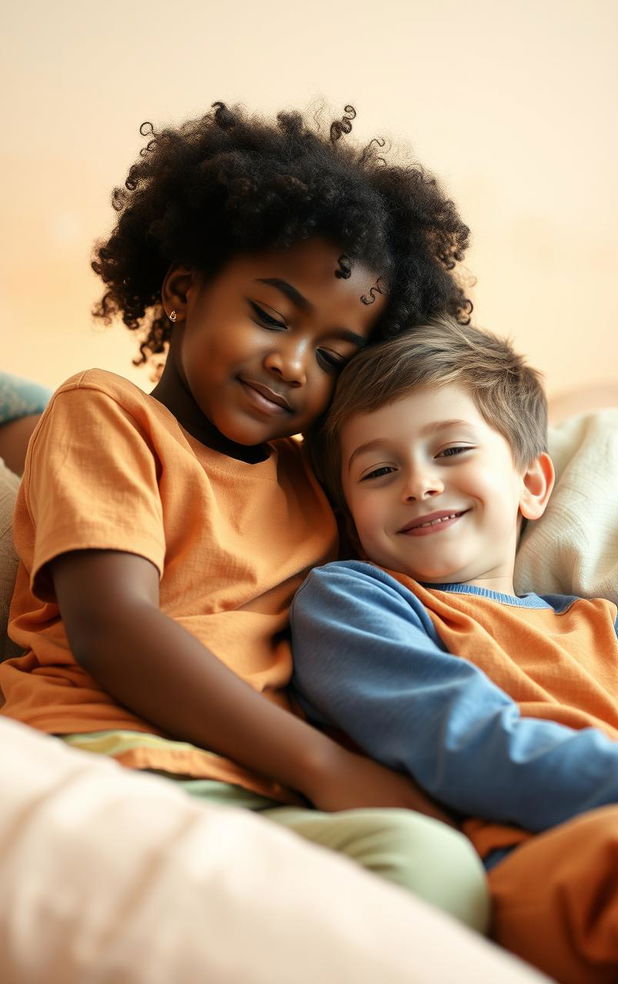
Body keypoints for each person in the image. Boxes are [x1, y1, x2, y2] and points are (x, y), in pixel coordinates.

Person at [0, 101, 488, 929]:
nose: (293, 363)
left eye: (335, 355)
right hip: (101, 753)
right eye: (271, 316)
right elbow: (111, 628)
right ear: (184, 289)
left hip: (253, 788)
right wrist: (326, 767)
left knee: (434, 866)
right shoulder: (107, 413)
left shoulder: (315, 481)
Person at [291, 316, 618, 984]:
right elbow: (463, 740)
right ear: (351, 520)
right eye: (380, 470)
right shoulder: (355, 600)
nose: (418, 483)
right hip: (518, 860)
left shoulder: (602, 626)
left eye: (450, 451)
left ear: (533, 485)